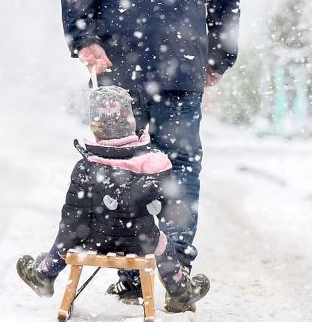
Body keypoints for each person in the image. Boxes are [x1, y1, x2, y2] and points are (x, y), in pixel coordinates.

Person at [60, 0, 240, 302]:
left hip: (117, 62)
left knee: (120, 164)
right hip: (182, 63)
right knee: (179, 164)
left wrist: (85, 39)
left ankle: (129, 269)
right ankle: (175, 267)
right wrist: (218, 54)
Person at [16, 86, 210, 313]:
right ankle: (179, 291)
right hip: (141, 241)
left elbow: (72, 218)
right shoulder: (153, 165)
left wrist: (63, 247)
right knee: (163, 244)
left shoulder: (86, 167)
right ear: (131, 121)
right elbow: (174, 212)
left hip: (92, 240)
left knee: (70, 234)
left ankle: (45, 274)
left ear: (95, 127)